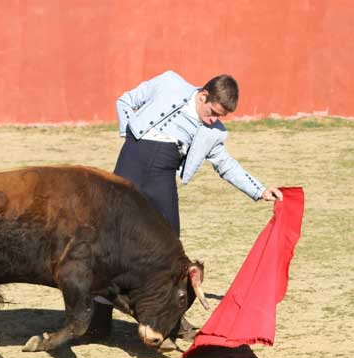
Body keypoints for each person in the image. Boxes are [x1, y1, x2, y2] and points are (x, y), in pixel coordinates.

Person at [87, 70, 283, 343]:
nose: (214, 120)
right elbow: (126, 100)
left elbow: (225, 165)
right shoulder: (169, 83)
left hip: (162, 174)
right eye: (213, 112)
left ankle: (170, 320)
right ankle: (97, 320)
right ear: (203, 95)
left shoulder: (213, 132)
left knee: (170, 249)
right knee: (109, 241)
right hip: (132, 160)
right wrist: (130, 134)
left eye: (221, 117)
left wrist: (259, 189)